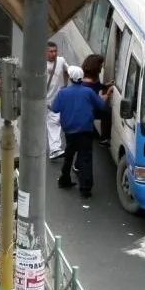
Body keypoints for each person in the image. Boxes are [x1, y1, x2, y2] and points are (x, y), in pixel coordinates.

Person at [51, 65, 111, 197]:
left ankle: (64, 179)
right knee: (85, 158)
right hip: (85, 129)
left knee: (69, 154)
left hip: (69, 130)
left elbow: (55, 109)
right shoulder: (88, 92)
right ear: (81, 77)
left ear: (71, 78)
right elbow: (101, 106)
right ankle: (85, 188)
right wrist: (107, 94)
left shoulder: (63, 92)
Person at [44, 41, 69, 160]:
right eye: (51, 51)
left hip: (56, 99)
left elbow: (67, 71)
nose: (53, 54)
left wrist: (65, 85)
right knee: (47, 123)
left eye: (55, 51)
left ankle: (54, 149)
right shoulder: (39, 63)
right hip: (42, 100)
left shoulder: (61, 61)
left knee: (54, 122)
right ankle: (53, 149)